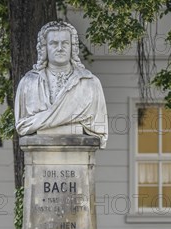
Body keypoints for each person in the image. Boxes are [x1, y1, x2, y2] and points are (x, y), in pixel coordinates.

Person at [15, 21, 108, 149]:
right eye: (54, 43)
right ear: (45, 48)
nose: (60, 48)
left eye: (65, 43)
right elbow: (22, 125)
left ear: (72, 47)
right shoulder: (28, 83)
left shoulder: (91, 84)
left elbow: (98, 125)